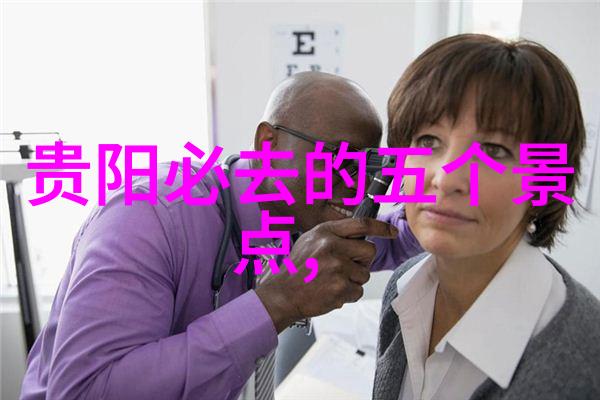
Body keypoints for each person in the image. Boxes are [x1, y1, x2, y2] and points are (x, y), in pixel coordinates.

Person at [20, 71, 423, 400]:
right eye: (338, 160)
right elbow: (83, 391)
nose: (355, 187)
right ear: (269, 145)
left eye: (370, 167)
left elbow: (397, 236)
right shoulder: (148, 217)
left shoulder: (296, 219)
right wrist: (276, 302)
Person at [373, 34, 600, 400]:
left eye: (493, 151)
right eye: (428, 141)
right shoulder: (403, 288)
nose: (446, 177)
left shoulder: (583, 366)